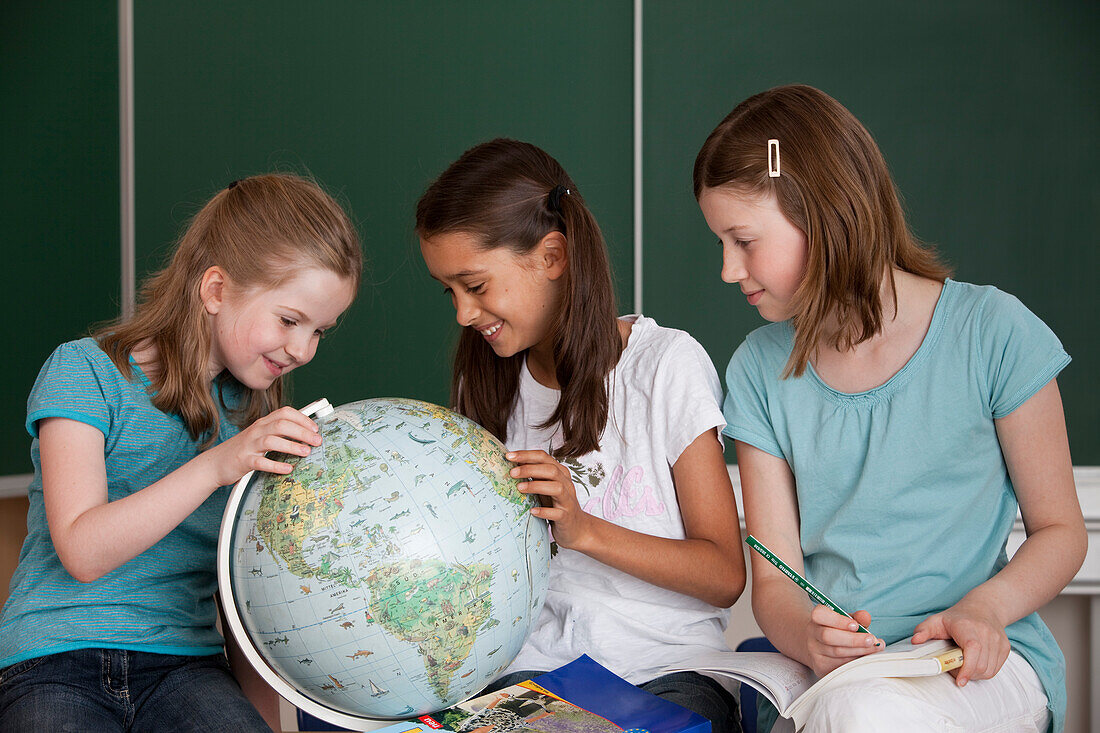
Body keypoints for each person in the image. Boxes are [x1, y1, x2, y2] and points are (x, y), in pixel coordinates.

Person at [694, 84, 1086, 733]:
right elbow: (777, 580)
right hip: (842, 675)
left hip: (976, 661)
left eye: (743, 240)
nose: (729, 269)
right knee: (851, 706)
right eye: (720, 244)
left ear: (821, 215)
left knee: (861, 712)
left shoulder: (994, 333)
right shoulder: (758, 368)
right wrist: (807, 635)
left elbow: (1061, 531)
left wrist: (986, 607)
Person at [0, 173, 362, 732]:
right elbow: (82, 549)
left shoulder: (252, 422)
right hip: (55, 656)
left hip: (185, 669)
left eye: (320, 331)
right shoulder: (84, 370)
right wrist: (217, 465)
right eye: (290, 320)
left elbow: (240, 597)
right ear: (215, 290)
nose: (302, 349)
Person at [416, 139, 747, 733]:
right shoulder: (486, 377)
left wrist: (582, 529)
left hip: (667, 672)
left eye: (476, 285)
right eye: (451, 292)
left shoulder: (664, 365)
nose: (464, 314)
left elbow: (724, 576)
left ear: (551, 256)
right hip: (527, 674)